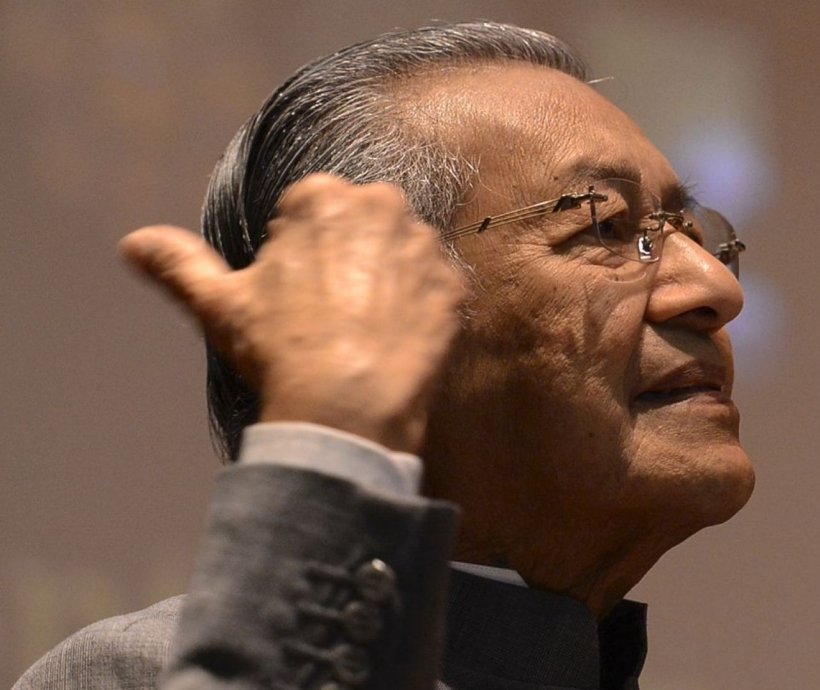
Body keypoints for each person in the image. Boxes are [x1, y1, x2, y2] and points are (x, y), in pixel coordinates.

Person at [15, 20, 753, 690]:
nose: (715, 286)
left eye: (691, 230)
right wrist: (332, 431)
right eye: (605, 225)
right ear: (370, 305)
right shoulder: (137, 672)